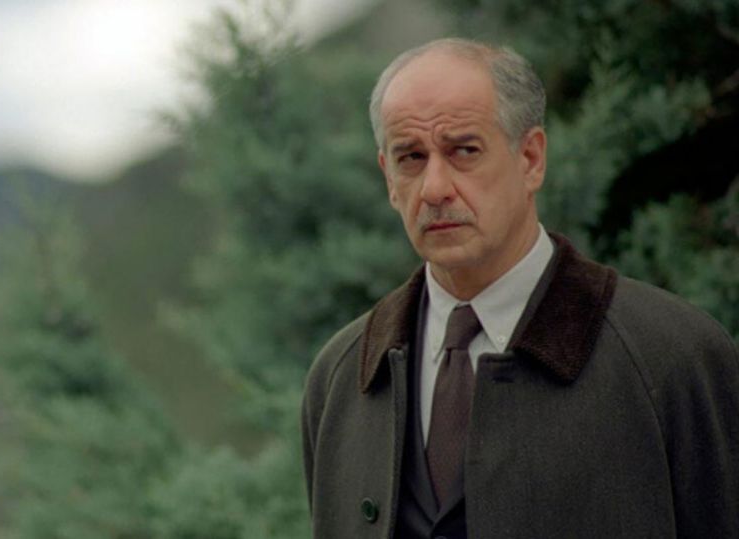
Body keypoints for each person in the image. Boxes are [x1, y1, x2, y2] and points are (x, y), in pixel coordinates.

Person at [300, 37, 739, 539]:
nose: (435, 188)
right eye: (411, 158)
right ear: (388, 179)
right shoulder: (340, 379)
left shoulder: (674, 357)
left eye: (464, 151)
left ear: (530, 158)